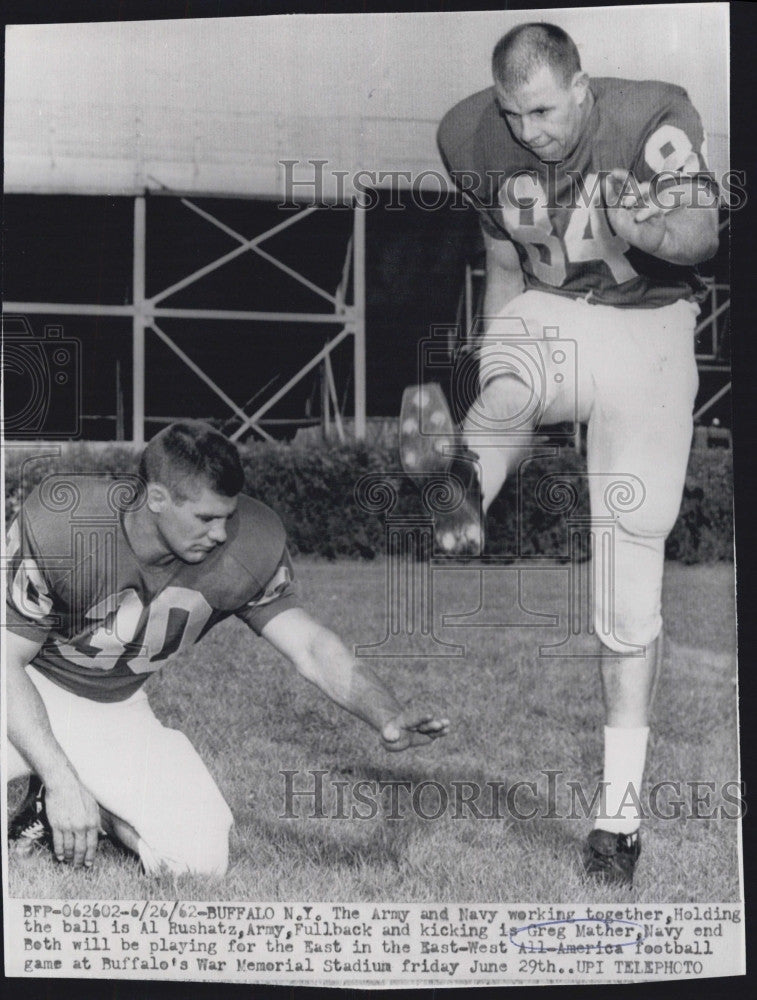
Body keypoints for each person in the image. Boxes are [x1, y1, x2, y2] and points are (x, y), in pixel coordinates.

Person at [400, 22, 718, 885]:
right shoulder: (472, 135)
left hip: (650, 331)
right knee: (516, 361)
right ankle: (464, 477)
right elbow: (504, 261)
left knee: (630, 581)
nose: (530, 132)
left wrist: (650, 225)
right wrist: (492, 361)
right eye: (515, 115)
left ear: (580, 89)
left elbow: (701, 238)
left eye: (543, 112)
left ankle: (617, 821)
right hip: (559, 317)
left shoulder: (650, 115)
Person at [6, 421, 449, 875]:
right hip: (25, 687)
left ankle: (76, 805)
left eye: (228, 516)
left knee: (198, 861)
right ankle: (56, 782)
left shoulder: (245, 545)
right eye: (205, 518)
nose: (221, 533)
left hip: (116, 704)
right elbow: (5, 661)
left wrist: (385, 713)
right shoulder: (66, 525)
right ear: (156, 499)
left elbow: (311, 645)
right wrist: (60, 777)